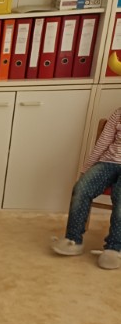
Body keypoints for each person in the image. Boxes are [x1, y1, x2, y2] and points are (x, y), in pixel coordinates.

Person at [52, 108, 121, 270]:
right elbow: (103, 143)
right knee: (82, 188)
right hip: (108, 162)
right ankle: (73, 240)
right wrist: (86, 169)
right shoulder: (118, 113)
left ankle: (114, 248)